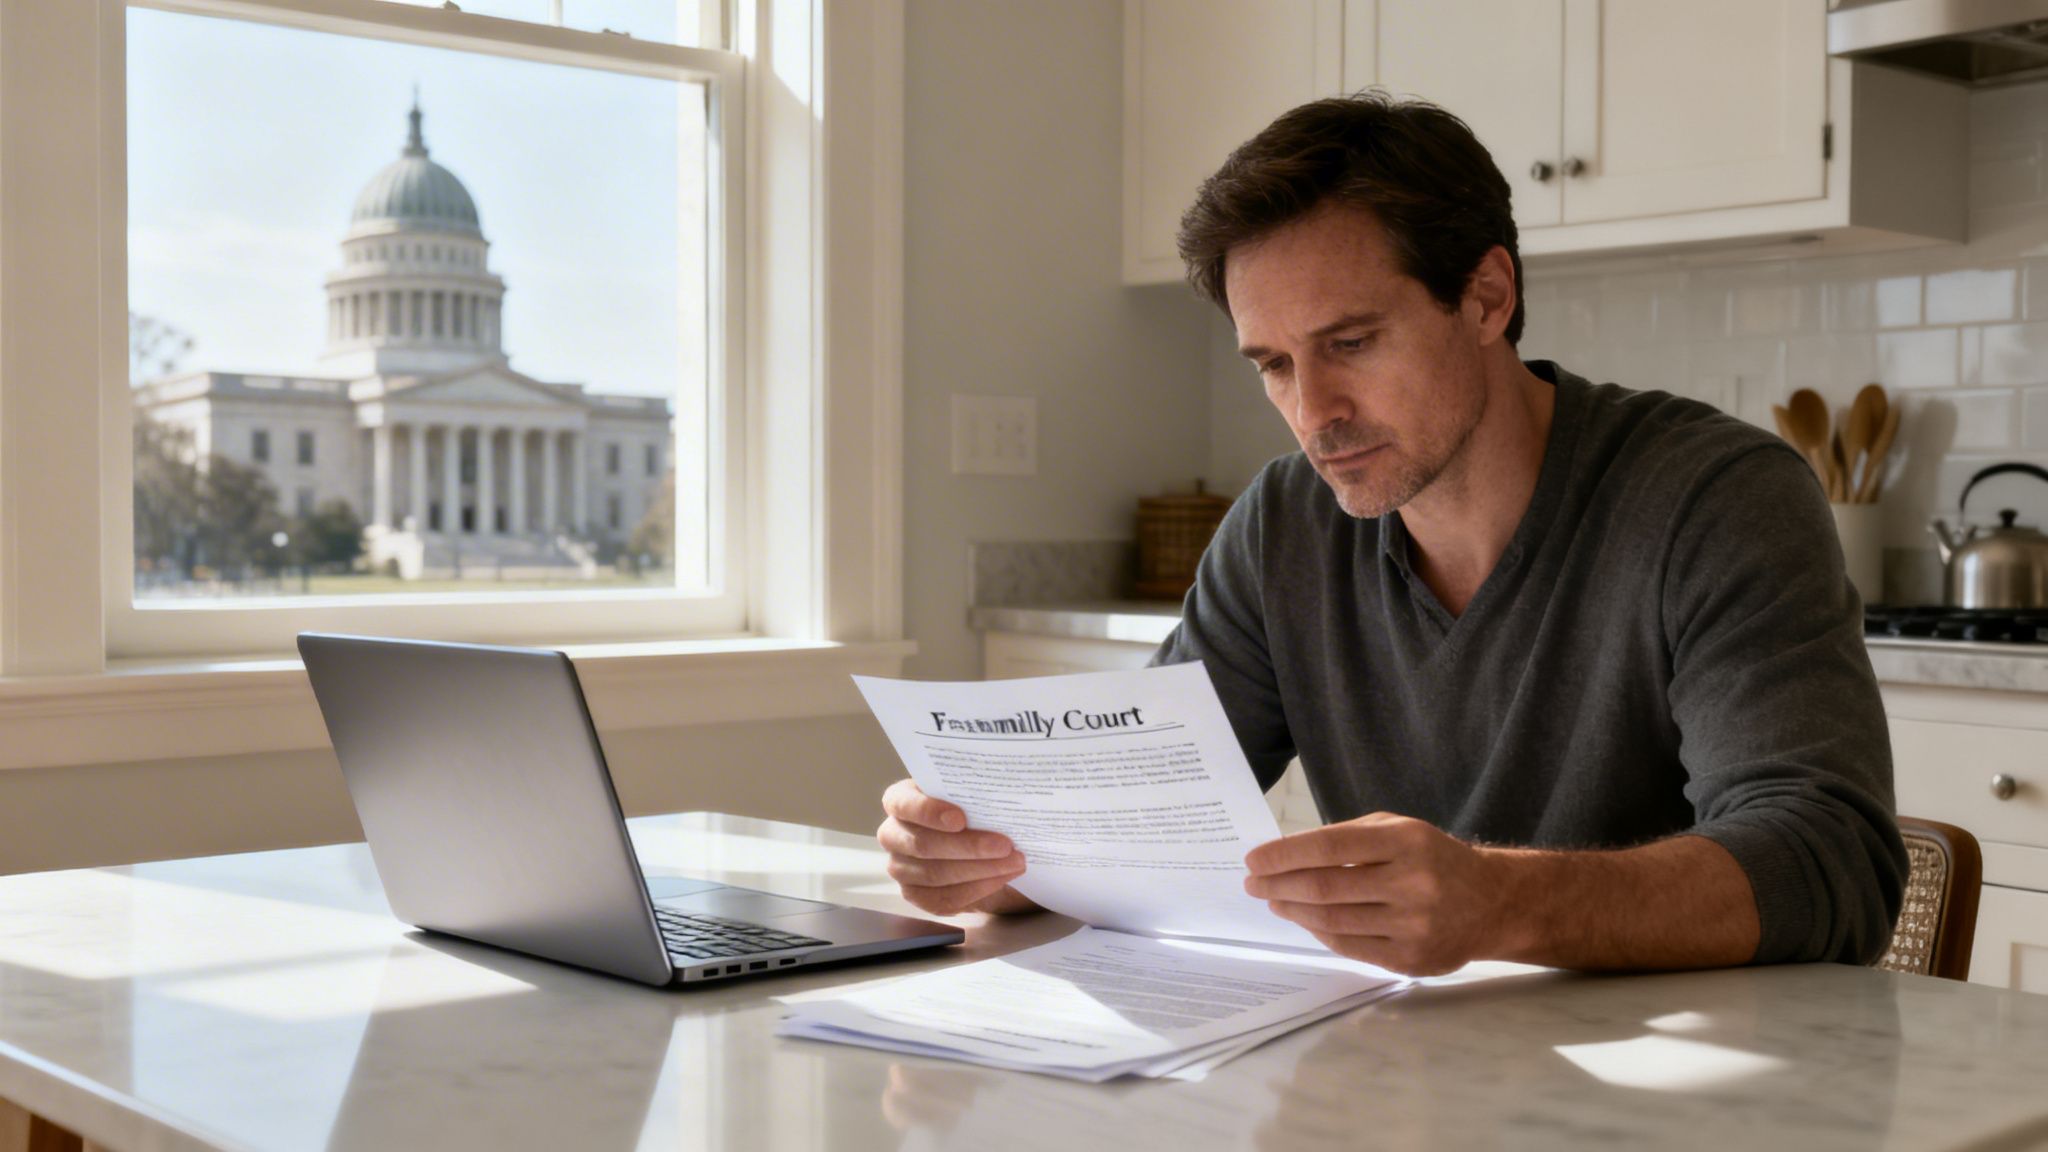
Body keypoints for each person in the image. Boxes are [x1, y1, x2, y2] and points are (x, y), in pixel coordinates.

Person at [877, 92, 1906, 976]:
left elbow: (1830, 863)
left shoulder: (1713, 498)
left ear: (1485, 297)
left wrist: (1497, 901)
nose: (1311, 409)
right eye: (1272, 364)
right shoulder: (1282, 526)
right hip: (1400, 1072)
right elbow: (1137, 823)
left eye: (1351, 343)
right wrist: (991, 862)